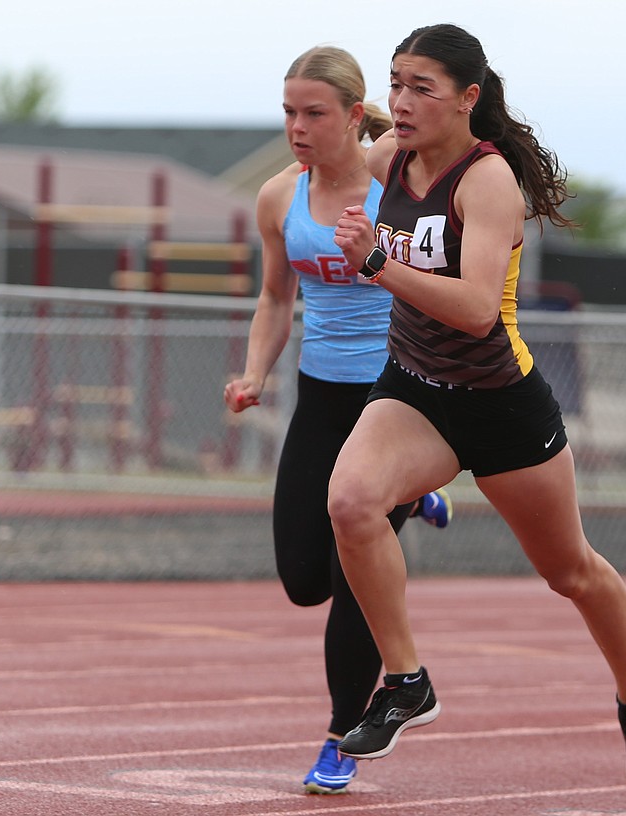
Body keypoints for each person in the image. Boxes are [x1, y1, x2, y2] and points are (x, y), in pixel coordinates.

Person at [325, 24, 626, 805]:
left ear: (468, 99)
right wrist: (314, 129)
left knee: (571, 572)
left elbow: (479, 312)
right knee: (349, 503)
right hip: (415, 391)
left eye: (422, 88)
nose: (402, 102)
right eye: (395, 83)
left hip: (501, 405)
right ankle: (407, 681)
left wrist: (376, 263)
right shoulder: (389, 161)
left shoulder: (487, 182)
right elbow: (320, 170)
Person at [222, 45, 452, 796]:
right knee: (301, 578)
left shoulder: (399, 186)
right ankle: (413, 499)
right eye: (288, 112)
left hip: (393, 397)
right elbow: (274, 299)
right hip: (321, 397)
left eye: (313, 112)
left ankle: (340, 739)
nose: (297, 126)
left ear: (354, 117)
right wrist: (255, 373)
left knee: (352, 577)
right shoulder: (275, 199)